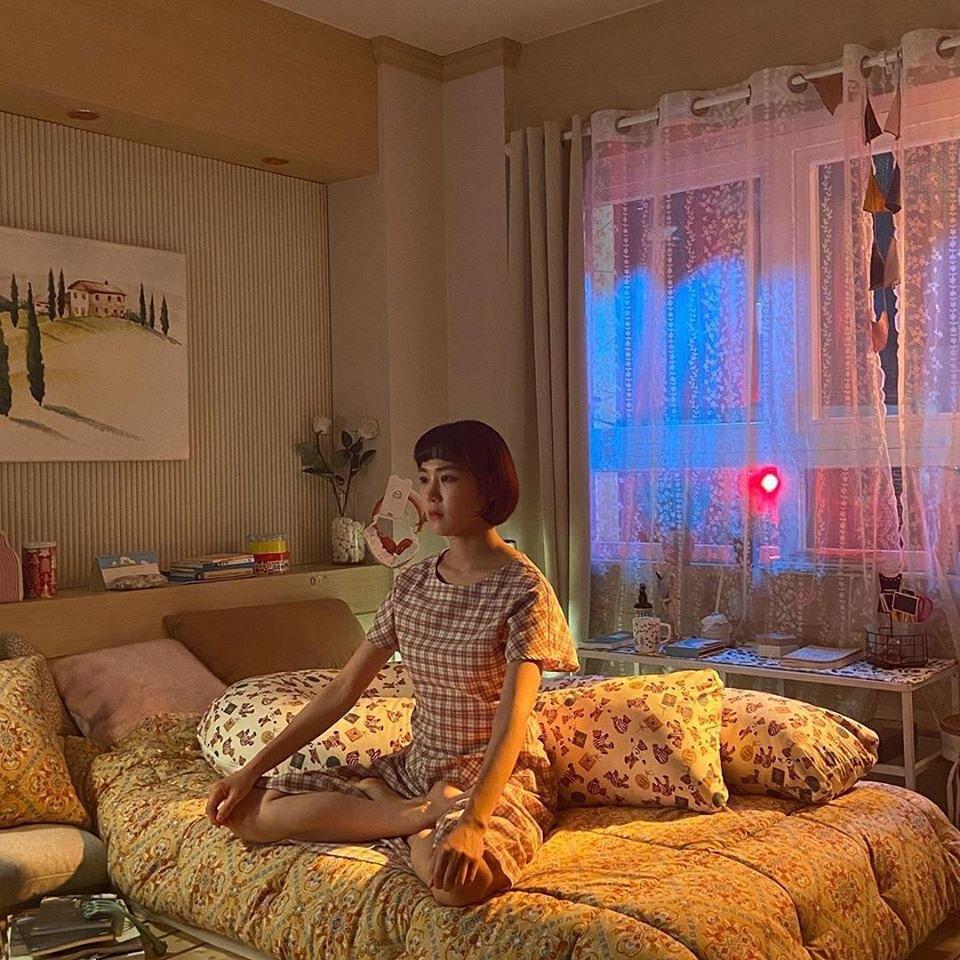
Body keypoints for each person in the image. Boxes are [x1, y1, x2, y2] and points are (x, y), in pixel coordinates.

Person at [205, 420, 579, 906]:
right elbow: (343, 690)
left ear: (489, 487)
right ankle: (413, 815)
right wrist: (248, 771)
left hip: (492, 776)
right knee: (244, 813)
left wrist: (473, 822)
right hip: (417, 768)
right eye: (424, 478)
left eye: (448, 478)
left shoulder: (524, 589)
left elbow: (512, 719)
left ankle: (402, 816)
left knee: (456, 888)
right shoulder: (412, 584)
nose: (430, 494)